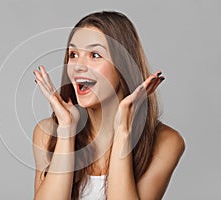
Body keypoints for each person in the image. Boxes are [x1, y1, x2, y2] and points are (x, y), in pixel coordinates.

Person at [32, 11, 185, 200]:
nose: (78, 66)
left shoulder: (166, 141)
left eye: (94, 55)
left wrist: (123, 132)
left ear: (123, 64)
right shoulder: (46, 133)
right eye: (73, 54)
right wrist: (66, 131)